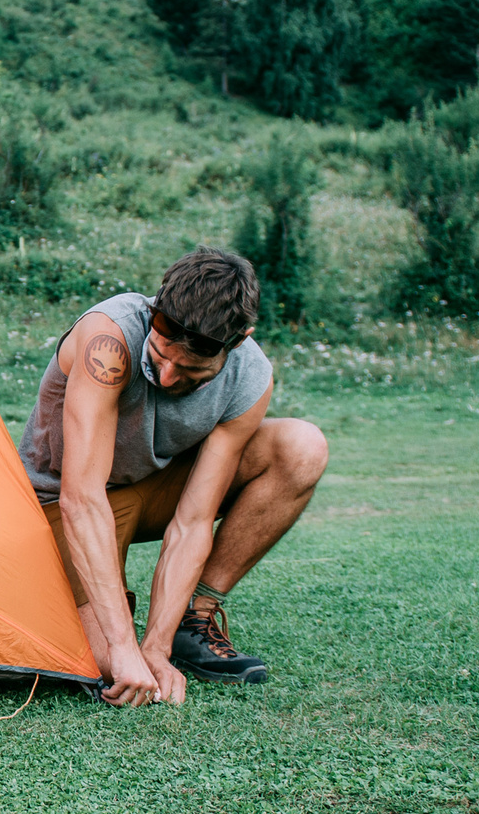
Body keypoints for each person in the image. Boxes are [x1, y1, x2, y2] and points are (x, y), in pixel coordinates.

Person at [17, 247, 327, 706]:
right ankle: (112, 627)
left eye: (191, 370)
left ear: (237, 342)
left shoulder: (250, 375)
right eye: (160, 354)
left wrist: (156, 648)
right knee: (107, 665)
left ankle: (191, 621)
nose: (165, 377)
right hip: (63, 503)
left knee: (301, 447)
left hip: (152, 491)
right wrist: (124, 646)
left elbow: (193, 520)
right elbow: (81, 499)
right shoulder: (109, 339)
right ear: (155, 310)